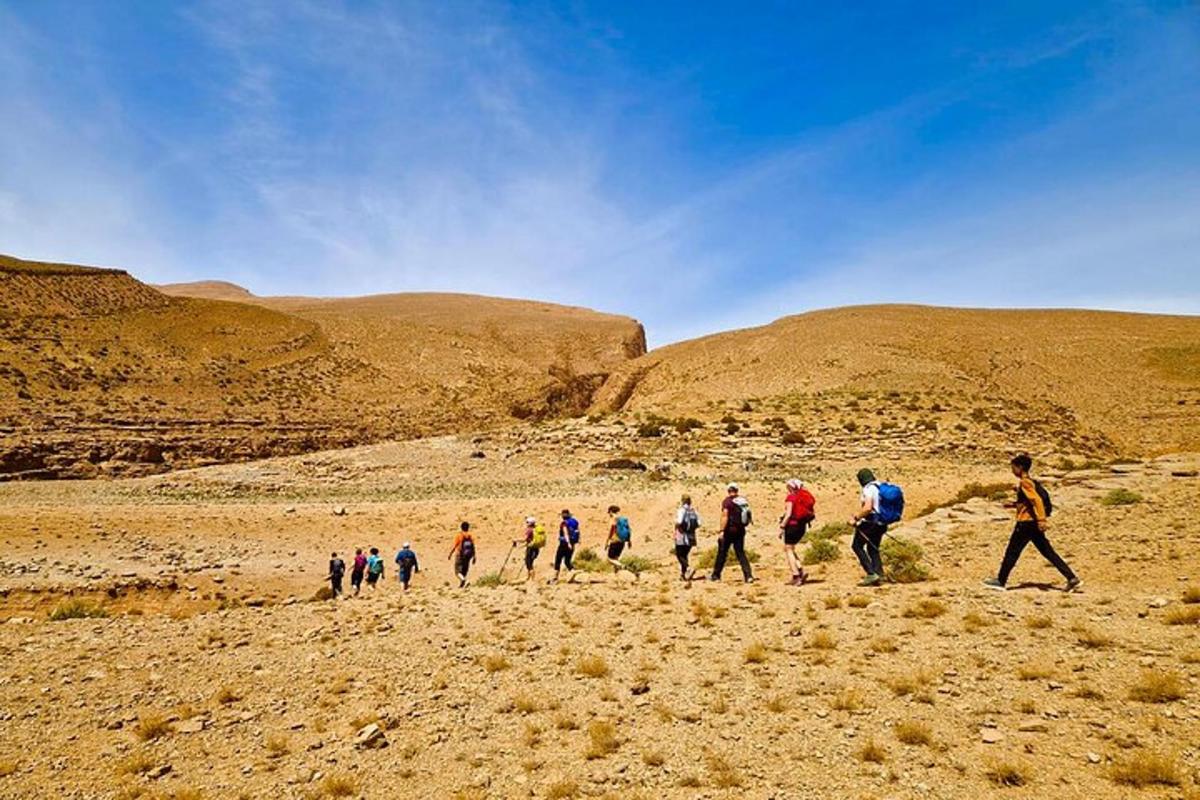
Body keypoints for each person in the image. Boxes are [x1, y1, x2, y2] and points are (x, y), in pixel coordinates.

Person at [984, 454, 1081, 592]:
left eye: (1013, 467)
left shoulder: (1025, 483)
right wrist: (1013, 505)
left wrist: (1042, 520)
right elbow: (1028, 502)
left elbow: (1037, 501)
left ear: (1020, 467)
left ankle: (1000, 581)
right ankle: (1071, 578)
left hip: (1026, 524)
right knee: (1048, 552)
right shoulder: (1031, 482)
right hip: (1032, 523)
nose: (1012, 470)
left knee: (1012, 552)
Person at [710, 483, 754, 583]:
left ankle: (716, 575)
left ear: (728, 490)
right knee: (740, 553)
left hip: (729, 531)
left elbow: (725, 516)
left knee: (722, 553)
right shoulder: (742, 501)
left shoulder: (727, 502)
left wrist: (721, 531)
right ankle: (748, 575)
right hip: (740, 530)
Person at [849, 469, 886, 587]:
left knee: (857, 546)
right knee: (873, 548)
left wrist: (856, 518)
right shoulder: (880, 486)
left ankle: (871, 574)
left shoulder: (868, 489)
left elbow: (868, 508)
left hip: (870, 522)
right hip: (882, 522)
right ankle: (879, 574)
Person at [780, 478, 816, 586]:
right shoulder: (801, 497)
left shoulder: (791, 497)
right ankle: (800, 570)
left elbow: (788, 514)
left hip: (792, 526)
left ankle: (796, 575)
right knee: (790, 548)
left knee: (788, 549)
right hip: (802, 526)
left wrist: (782, 526)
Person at [674, 494, 701, 580]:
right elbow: (699, 523)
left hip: (682, 535)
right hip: (691, 536)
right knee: (685, 555)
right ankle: (683, 575)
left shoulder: (682, 510)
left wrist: (676, 524)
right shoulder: (693, 511)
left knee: (679, 555)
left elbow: (679, 521)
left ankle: (688, 568)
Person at [552, 509, 579, 582]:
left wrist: (568, 543)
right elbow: (577, 531)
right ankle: (573, 572)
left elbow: (565, 533)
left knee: (558, 559)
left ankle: (555, 578)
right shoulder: (574, 521)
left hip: (565, 543)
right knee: (567, 561)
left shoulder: (564, 523)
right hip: (572, 543)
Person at [514, 516, 545, 582]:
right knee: (530, 562)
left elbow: (524, 539)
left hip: (531, 548)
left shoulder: (529, 530)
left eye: (527, 522)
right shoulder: (535, 529)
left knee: (529, 564)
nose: (526, 523)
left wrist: (516, 540)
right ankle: (529, 578)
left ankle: (532, 580)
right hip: (536, 548)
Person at [448, 522, 477, 588]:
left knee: (457, 571)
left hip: (460, 555)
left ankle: (464, 581)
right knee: (464, 570)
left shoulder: (459, 535)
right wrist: (474, 556)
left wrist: (450, 554)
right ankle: (462, 584)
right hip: (468, 556)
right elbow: (473, 546)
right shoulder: (470, 536)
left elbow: (455, 546)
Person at [605, 505, 632, 571]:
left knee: (610, 559)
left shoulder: (614, 518)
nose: (609, 514)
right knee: (616, 558)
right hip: (622, 541)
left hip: (615, 540)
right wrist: (629, 541)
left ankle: (622, 566)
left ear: (611, 511)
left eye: (609, 513)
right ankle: (617, 573)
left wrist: (607, 541)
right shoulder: (624, 519)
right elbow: (629, 529)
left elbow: (612, 530)